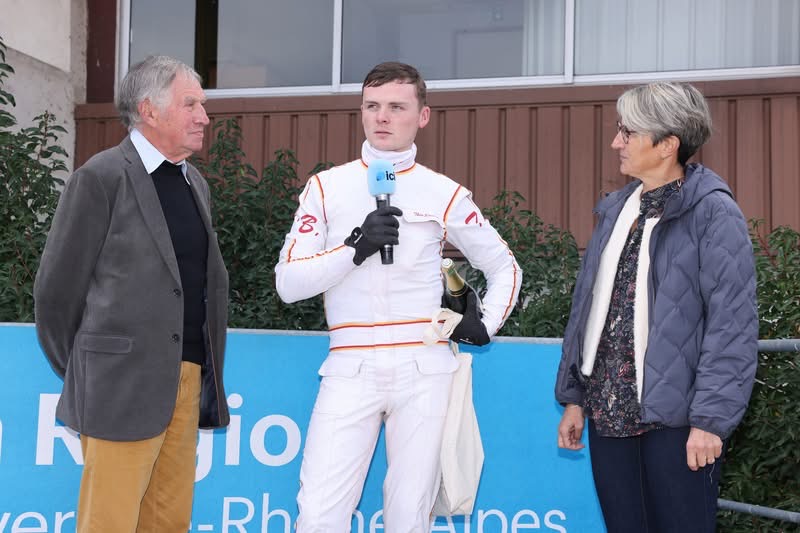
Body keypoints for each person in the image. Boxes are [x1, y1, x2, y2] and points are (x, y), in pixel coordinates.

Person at [276, 61, 521, 531]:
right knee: (318, 512)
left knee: (410, 515)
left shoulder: (443, 191)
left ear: (422, 116)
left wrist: (485, 324)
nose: (381, 117)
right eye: (371, 106)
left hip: (424, 367)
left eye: (396, 107)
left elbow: (504, 266)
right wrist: (355, 248)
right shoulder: (326, 187)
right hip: (349, 365)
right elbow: (288, 283)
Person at [34, 55, 229, 532]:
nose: (204, 116)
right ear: (149, 110)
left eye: (202, 105)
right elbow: (55, 295)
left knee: (168, 522)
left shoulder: (194, 184)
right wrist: (92, 366)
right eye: (191, 104)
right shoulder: (100, 178)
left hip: (184, 380)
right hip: (119, 386)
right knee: (109, 522)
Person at [554, 82, 758, 533]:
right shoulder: (615, 212)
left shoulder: (713, 213)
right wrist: (574, 399)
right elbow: (587, 312)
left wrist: (710, 421)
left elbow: (732, 325)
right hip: (611, 413)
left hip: (679, 421)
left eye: (628, 133)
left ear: (667, 145)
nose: (616, 143)